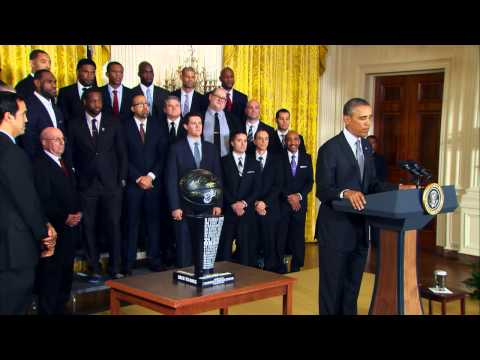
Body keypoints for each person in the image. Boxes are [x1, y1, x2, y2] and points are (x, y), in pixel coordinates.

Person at [315, 97, 415, 315]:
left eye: (369, 118)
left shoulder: (367, 149)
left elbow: (372, 184)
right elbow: (323, 189)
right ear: (346, 119)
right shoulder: (330, 149)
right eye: (362, 118)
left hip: (361, 229)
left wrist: (397, 187)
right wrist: (345, 192)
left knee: (352, 288)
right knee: (332, 288)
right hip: (335, 230)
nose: (367, 123)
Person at [0, 91, 56, 314]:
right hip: (13, 251)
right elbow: (26, 201)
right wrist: (44, 234)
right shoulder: (12, 153)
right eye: (23, 114)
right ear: (8, 116)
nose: (27, 119)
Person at [68, 87, 127, 280]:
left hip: (111, 184)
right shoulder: (74, 124)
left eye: (99, 101)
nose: (96, 104)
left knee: (114, 225)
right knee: (88, 226)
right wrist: (76, 181)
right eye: (92, 101)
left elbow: (122, 153)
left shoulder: (113, 122)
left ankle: (115, 267)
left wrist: (121, 179)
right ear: (85, 102)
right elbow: (70, 156)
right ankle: (93, 266)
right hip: (87, 185)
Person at [33, 127, 81, 314]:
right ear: (44, 142)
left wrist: (77, 213)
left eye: (62, 138)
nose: (61, 142)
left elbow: (73, 191)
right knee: (51, 277)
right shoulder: (39, 165)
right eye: (56, 139)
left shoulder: (64, 162)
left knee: (65, 275)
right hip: (54, 229)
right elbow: (43, 198)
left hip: (70, 229)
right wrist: (64, 217)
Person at [166, 112, 222, 267]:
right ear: (185, 126)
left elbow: (217, 178)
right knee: (184, 244)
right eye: (194, 123)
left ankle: (204, 275)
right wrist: (175, 206)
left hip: (207, 205)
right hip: (184, 207)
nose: (198, 126)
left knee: (205, 244)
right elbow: (171, 179)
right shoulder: (176, 149)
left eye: (200, 123)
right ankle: (185, 276)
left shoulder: (211, 148)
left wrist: (218, 203)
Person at [122, 94, 168, 275]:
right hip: (134, 185)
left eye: (146, 104)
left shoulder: (157, 126)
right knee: (131, 224)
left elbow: (162, 155)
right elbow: (122, 156)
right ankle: (128, 262)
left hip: (152, 184)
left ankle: (154, 260)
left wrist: (150, 176)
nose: (144, 107)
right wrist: (138, 178)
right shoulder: (124, 126)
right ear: (132, 108)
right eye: (139, 105)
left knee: (153, 224)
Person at [218, 131, 261, 267]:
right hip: (229, 210)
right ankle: (223, 274)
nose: (242, 143)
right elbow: (220, 185)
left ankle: (245, 278)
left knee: (246, 249)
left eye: (245, 141)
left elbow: (257, 188)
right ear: (232, 143)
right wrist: (233, 204)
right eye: (239, 140)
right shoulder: (223, 161)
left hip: (246, 211)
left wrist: (243, 203)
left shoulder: (254, 163)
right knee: (225, 247)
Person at [277, 130, 313, 273]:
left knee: (298, 236)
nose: (293, 142)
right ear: (286, 142)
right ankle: (280, 266)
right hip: (283, 204)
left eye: (295, 139)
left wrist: (298, 196)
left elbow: (310, 182)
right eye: (289, 140)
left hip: (300, 204)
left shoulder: (307, 158)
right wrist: (289, 197)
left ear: (299, 141)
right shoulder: (278, 158)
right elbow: (277, 182)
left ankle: (297, 265)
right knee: (281, 235)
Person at [252, 129, 283, 271]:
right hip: (251, 205)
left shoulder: (277, 160)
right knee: (252, 240)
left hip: (271, 206)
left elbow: (278, 185)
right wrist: (256, 203)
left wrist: (265, 203)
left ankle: (270, 269)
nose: (263, 141)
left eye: (266, 139)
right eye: (260, 138)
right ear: (254, 141)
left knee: (270, 240)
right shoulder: (247, 158)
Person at [22, 70, 66, 159]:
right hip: (39, 162)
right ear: (37, 83)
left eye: (55, 82)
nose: (54, 85)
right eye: (49, 82)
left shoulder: (55, 108)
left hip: (57, 160)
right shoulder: (28, 106)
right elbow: (28, 140)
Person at [57, 58, 97, 130]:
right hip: (72, 134)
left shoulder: (101, 92)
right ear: (77, 72)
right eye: (86, 72)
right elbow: (62, 117)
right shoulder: (65, 92)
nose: (89, 76)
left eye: (92, 72)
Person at [202, 87, 240, 157]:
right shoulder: (199, 117)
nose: (220, 100)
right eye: (218, 96)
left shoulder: (233, 119)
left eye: (224, 99)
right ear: (210, 97)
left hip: (226, 161)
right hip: (205, 161)